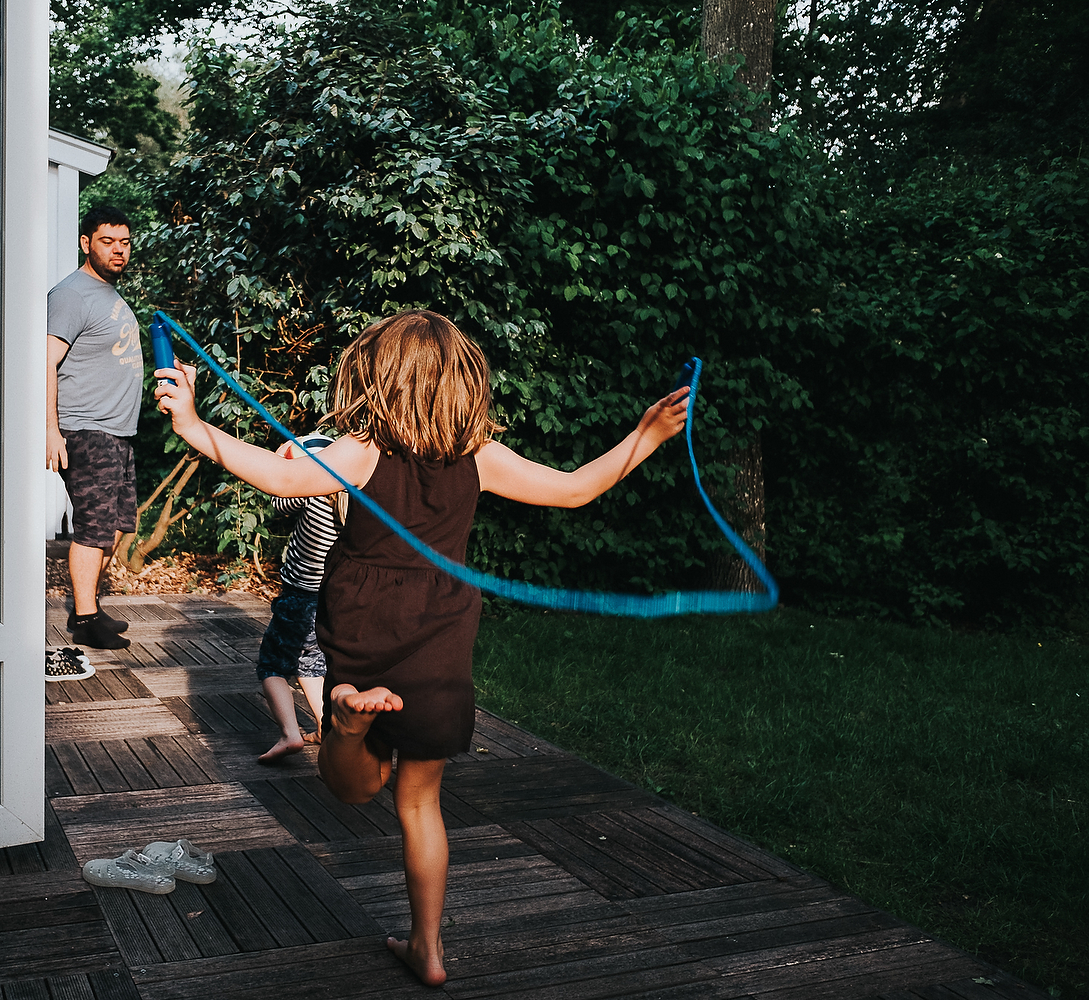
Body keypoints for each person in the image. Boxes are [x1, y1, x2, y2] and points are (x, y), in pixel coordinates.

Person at [155, 309, 689, 987]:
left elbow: (277, 478)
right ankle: (429, 950)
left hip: (364, 623)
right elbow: (577, 488)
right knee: (419, 803)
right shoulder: (481, 458)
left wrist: (192, 424)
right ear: (462, 382)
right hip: (441, 639)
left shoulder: (363, 450)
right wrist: (648, 434)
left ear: (376, 379)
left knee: (351, 788)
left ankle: (347, 716)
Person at [46, 206, 143, 651]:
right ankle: (85, 619)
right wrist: (52, 430)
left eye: (124, 241)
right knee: (93, 528)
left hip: (118, 430)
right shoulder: (71, 295)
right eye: (108, 241)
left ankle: (92, 606)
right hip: (87, 429)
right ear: (86, 243)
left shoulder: (107, 293)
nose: (118, 250)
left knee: (119, 524)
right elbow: (46, 363)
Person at [255, 434, 348, 764]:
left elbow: (278, 498)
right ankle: (325, 727)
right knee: (311, 665)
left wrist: (287, 460)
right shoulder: (348, 501)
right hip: (331, 600)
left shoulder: (309, 494)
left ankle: (289, 734)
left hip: (299, 597)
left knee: (272, 666)